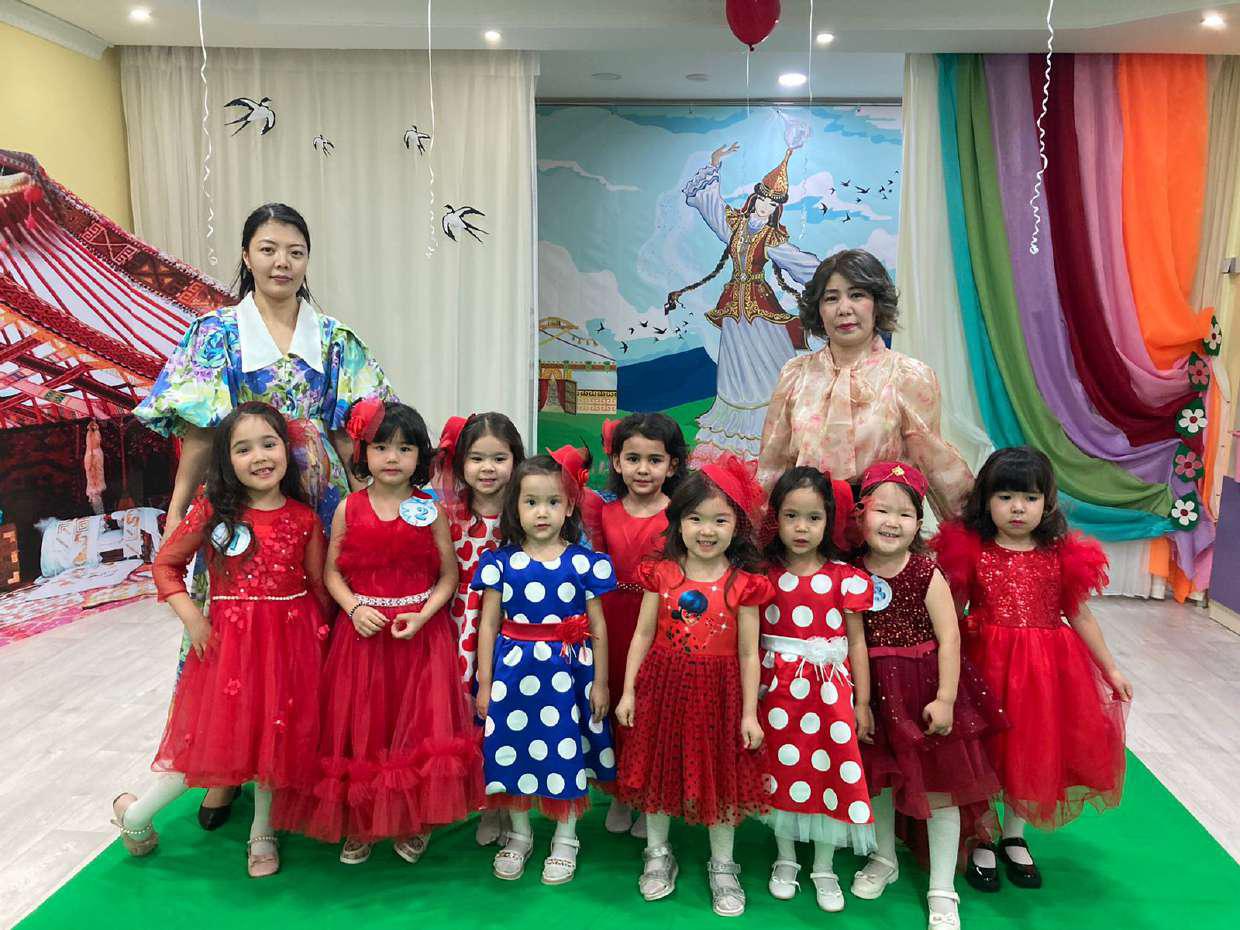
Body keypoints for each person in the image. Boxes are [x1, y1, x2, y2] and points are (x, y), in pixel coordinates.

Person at [134, 202, 392, 827]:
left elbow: (355, 432)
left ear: (307, 261)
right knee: (229, 631)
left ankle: (312, 761)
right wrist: (178, 510)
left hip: (320, 499)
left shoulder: (335, 338)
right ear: (247, 257)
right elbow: (201, 435)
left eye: (295, 252)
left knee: (315, 623)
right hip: (236, 503)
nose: (282, 262)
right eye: (269, 249)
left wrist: (370, 504)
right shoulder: (215, 334)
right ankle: (223, 769)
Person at [110, 402, 328, 877]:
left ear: (286, 450)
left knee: (275, 738)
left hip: (291, 648)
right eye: (243, 449)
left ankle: (263, 831)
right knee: (204, 747)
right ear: (227, 460)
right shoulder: (213, 511)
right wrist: (194, 620)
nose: (260, 457)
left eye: (269, 444)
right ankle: (136, 815)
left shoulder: (304, 519)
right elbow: (166, 566)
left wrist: (327, 639)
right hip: (228, 651)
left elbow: (317, 587)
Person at [273, 400, 482, 865]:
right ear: (363, 452)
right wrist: (354, 608)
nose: (392, 457)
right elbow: (331, 573)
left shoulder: (430, 510)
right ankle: (361, 822)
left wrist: (424, 615)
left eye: (405, 448)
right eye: (382, 447)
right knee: (363, 729)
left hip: (421, 639)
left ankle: (413, 820)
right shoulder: (349, 507)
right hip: (361, 639)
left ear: (421, 456)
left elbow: (449, 576)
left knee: (417, 731)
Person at [933, 447, 1132, 893]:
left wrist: (1111, 669)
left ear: (1047, 502)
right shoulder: (972, 551)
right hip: (983, 667)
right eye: (1005, 497)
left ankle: (1014, 835)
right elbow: (950, 612)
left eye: (1029, 497)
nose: (1018, 508)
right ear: (986, 501)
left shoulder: (1060, 555)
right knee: (984, 751)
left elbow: (1080, 615)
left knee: (1030, 749)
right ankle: (981, 833)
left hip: (1044, 674)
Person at [616, 457, 773, 917]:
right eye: (696, 519)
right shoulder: (661, 574)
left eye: (720, 520)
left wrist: (749, 712)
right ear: (679, 522)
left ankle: (723, 864)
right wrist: (628, 691)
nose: (707, 530)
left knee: (721, 777)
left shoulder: (744, 584)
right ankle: (657, 853)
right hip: (663, 687)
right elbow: (642, 634)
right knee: (659, 770)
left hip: (721, 694)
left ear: (737, 526)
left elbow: (749, 653)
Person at [852, 461, 1003, 930]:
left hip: (923, 694)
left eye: (905, 514)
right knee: (878, 781)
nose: (892, 522)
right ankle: (884, 858)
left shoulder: (925, 572)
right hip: (874, 693)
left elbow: (950, 636)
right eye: (881, 510)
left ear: (919, 523)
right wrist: (859, 702)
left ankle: (942, 886)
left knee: (941, 789)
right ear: (860, 514)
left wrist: (946, 698)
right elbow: (851, 638)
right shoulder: (851, 573)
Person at [472, 455, 617, 885]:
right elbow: (488, 626)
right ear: (515, 506)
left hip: (568, 677)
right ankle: (520, 835)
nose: (542, 512)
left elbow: (598, 628)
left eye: (553, 502)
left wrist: (602, 683)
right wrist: (485, 683)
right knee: (512, 749)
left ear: (569, 506)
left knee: (564, 750)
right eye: (531, 502)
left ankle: (566, 838)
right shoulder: (500, 563)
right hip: (513, 678)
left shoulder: (583, 563)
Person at [756, 249, 972, 520]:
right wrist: (756, 530)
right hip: (808, 530)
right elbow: (772, 465)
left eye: (857, 295)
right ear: (818, 309)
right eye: (831, 298)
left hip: (882, 529)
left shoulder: (908, 376)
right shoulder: (796, 374)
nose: (844, 309)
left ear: (877, 304)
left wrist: (977, 529)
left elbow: (936, 464)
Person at [758, 466, 877, 913]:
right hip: (778, 692)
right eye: (791, 516)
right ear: (776, 517)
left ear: (829, 519)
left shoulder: (846, 578)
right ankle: (786, 857)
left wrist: (862, 702)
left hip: (830, 695)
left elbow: (857, 643)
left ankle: (824, 866)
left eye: (813, 517)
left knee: (830, 770)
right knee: (783, 769)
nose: (801, 528)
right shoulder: (763, 576)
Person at [668, 144, 822, 463]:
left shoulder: (771, 238)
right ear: (754, 199)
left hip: (759, 306)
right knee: (735, 363)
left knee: (770, 362)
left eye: (771, 204)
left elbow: (799, 263)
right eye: (763, 201)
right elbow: (711, 205)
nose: (765, 207)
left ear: (776, 209)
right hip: (734, 309)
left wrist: (834, 278)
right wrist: (714, 164)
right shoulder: (734, 224)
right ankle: (736, 430)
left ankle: (773, 424)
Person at [587, 413, 686, 838]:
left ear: (673, 465)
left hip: (658, 622)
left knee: (651, 708)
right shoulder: (603, 512)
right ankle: (620, 793)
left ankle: (651, 795)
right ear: (616, 462)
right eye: (633, 459)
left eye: (654, 460)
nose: (643, 469)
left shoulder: (680, 515)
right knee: (612, 701)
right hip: (611, 619)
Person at [433, 412, 526, 846]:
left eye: (499, 458)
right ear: (460, 463)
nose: (487, 468)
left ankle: (509, 803)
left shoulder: (525, 514)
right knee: (466, 716)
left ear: (516, 460)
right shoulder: (444, 514)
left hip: (510, 631)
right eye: (476, 458)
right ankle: (482, 801)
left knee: (506, 716)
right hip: (455, 627)